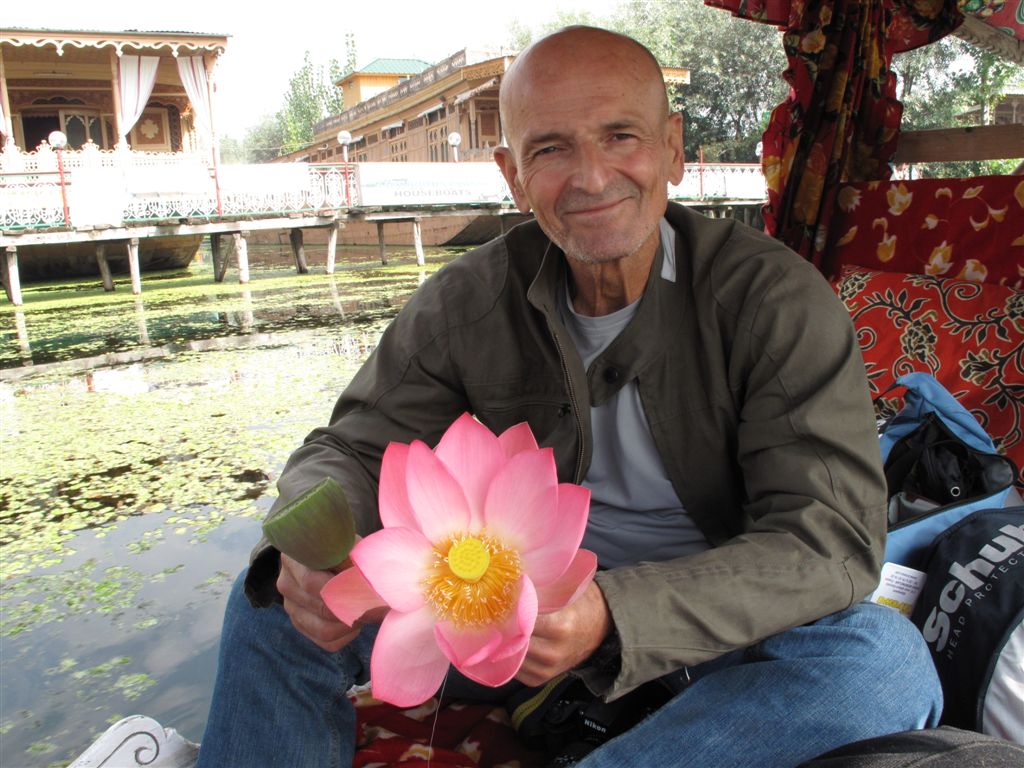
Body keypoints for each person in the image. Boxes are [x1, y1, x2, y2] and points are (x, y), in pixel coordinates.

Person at [197, 26, 941, 768]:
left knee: (883, 664)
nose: (590, 177)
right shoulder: (467, 302)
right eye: (550, 149)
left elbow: (828, 540)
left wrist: (617, 613)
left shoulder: (771, 300)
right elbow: (350, 449)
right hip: (499, 619)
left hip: (711, 632)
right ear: (513, 176)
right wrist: (306, 550)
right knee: (270, 604)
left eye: (621, 136)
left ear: (673, 148)